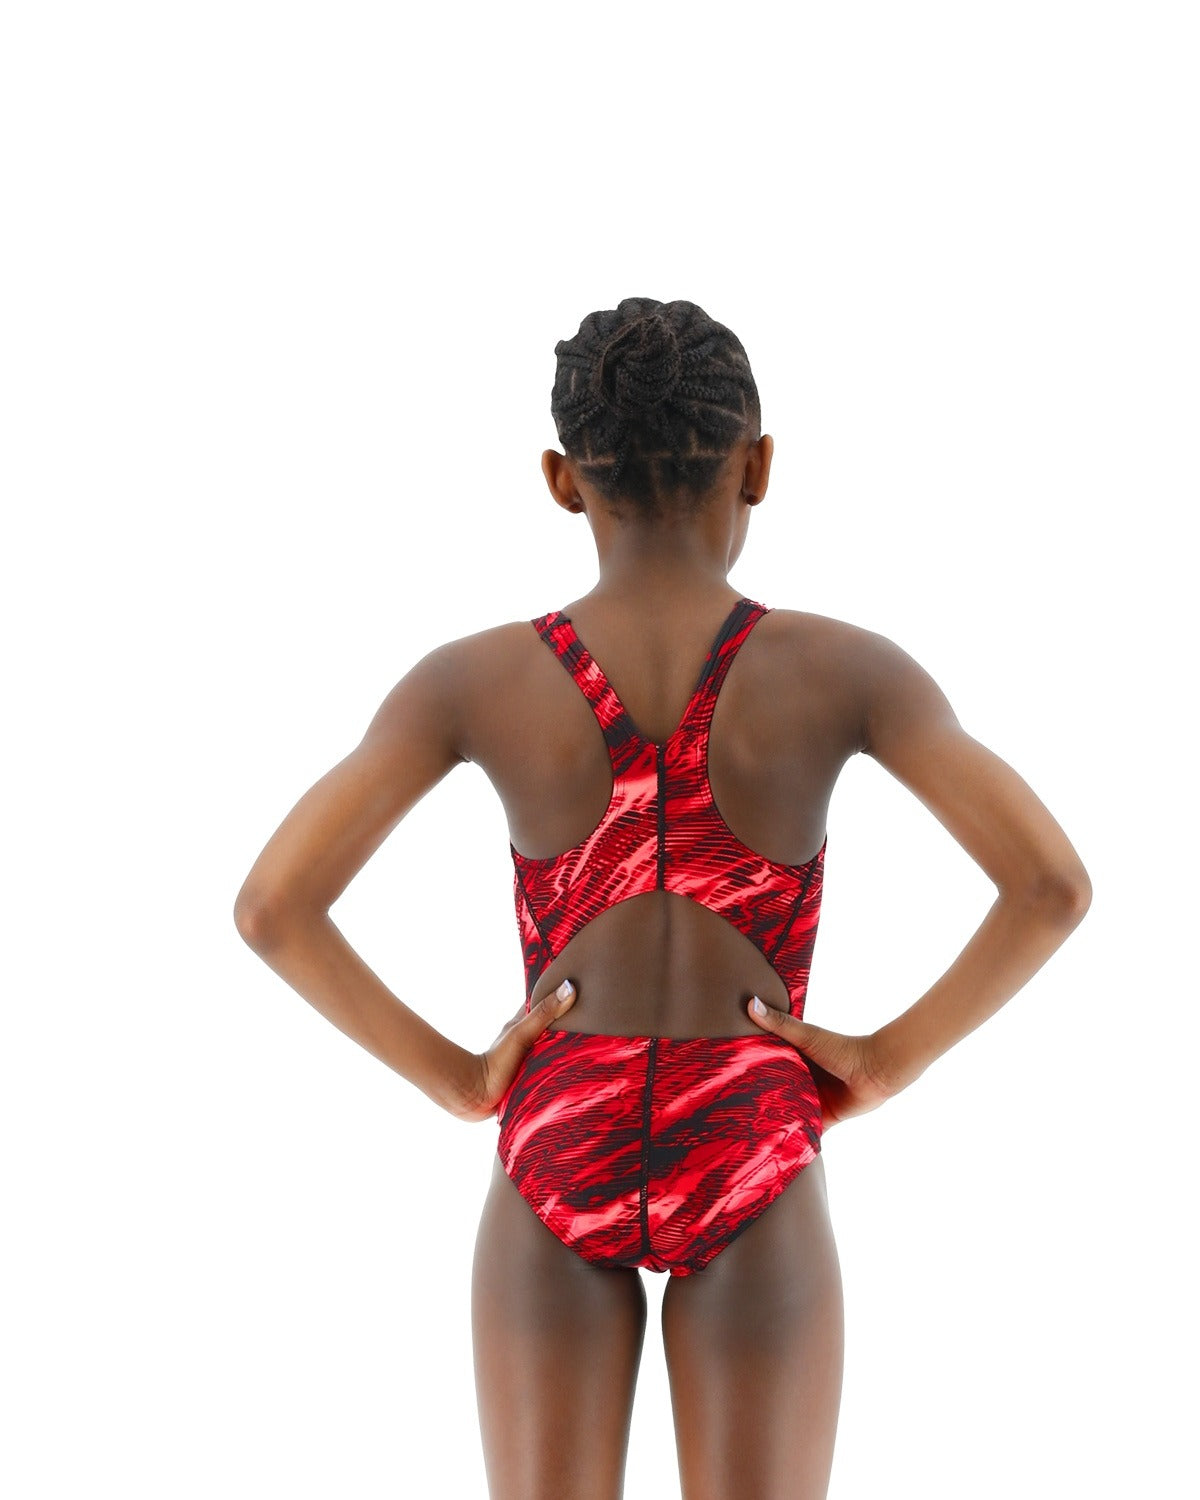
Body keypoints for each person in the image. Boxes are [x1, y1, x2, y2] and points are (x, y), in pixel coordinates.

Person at [234, 296, 1092, 1500]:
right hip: (750, 1135)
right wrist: (885, 1061)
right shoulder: (845, 670)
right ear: (760, 466)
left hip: (556, 1138)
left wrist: (461, 1079)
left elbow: (274, 907)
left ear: (561, 479)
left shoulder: (474, 680)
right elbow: (1049, 884)